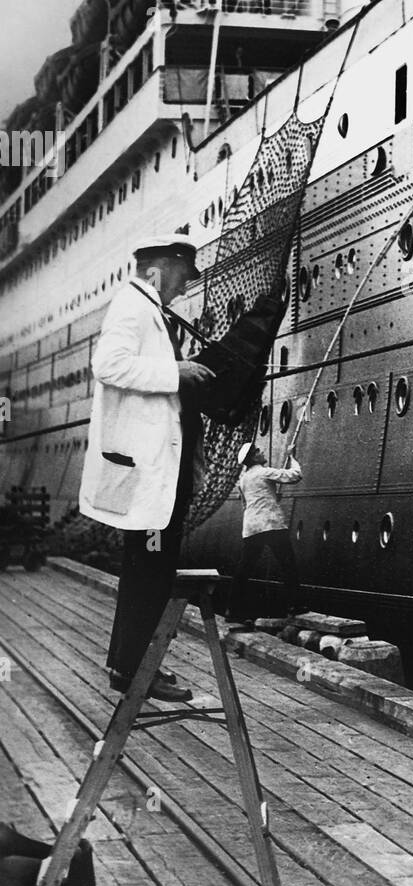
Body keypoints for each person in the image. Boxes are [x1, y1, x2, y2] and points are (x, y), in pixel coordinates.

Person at [80, 236, 214, 702]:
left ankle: (129, 665)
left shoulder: (147, 308)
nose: (183, 288)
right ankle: (136, 670)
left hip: (159, 472)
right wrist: (177, 373)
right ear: (162, 266)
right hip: (148, 476)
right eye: (182, 276)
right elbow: (109, 366)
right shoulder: (133, 307)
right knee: (150, 571)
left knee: (147, 570)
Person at [227, 443, 302, 624]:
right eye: (258, 451)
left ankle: (233, 611)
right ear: (253, 458)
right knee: (288, 564)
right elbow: (295, 475)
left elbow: (247, 503)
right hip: (271, 524)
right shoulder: (263, 472)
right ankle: (295, 605)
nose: (262, 452)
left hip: (252, 527)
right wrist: (291, 457)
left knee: (244, 569)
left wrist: (272, 497)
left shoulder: (244, 479)